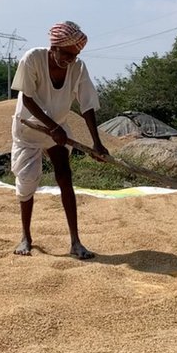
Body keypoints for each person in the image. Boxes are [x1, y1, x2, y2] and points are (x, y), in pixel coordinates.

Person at [10, 20, 108, 260]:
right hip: (29, 129)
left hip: (58, 129)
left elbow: (87, 106)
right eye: (65, 54)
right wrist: (52, 127)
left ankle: (75, 242)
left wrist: (96, 143)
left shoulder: (78, 68)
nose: (69, 60)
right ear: (53, 47)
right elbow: (28, 98)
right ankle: (26, 237)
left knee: (65, 176)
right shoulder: (32, 59)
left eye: (74, 55)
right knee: (28, 179)